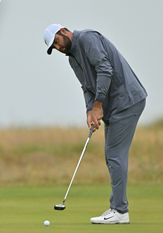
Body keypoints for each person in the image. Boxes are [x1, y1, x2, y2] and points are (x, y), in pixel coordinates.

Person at [43, 24, 147, 224]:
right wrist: (90, 111)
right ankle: (118, 208)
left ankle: (119, 211)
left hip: (127, 100)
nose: (58, 48)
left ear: (63, 31)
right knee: (112, 156)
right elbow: (86, 86)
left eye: (56, 42)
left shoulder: (87, 38)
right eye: (53, 48)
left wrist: (98, 104)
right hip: (114, 105)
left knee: (115, 156)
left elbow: (104, 69)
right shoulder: (72, 60)